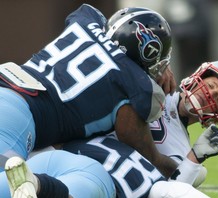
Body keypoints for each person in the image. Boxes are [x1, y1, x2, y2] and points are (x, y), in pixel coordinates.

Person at [0, 61, 218, 198]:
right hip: (61, 143)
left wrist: (192, 162)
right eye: (210, 86)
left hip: (100, 178)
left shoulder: (181, 149)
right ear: (199, 74)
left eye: (217, 98)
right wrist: (151, 63)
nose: (208, 95)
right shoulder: (153, 82)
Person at [0, 4, 178, 177]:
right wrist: (181, 169)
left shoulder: (86, 20)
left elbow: (92, 15)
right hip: (20, 116)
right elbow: (151, 159)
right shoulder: (134, 86)